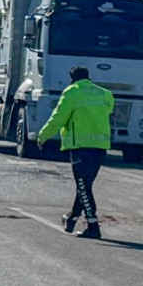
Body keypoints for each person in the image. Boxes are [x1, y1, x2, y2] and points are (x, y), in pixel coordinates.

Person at [38, 65, 115, 239]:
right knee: (85, 186)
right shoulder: (105, 94)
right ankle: (71, 219)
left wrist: (43, 136)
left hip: (80, 146)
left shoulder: (72, 93)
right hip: (100, 146)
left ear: (72, 78)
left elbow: (58, 118)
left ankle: (93, 226)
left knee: (83, 186)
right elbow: (108, 111)